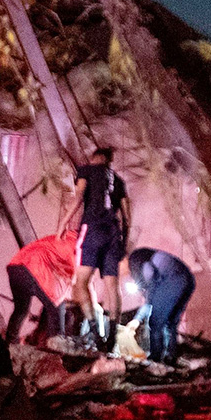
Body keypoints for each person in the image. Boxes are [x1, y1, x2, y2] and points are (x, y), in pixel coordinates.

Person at [69, 147, 129, 352]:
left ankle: (96, 334)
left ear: (95, 158)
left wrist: (62, 227)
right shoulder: (119, 181)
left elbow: (78, 199)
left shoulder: (86, 170)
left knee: (81, 282)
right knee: (113, 287)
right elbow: (127, 217)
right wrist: (123, 243)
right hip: (113, 233)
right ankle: (112, 338)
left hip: (92, 229)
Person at [4, 228, 80, 346]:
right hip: (34, 267)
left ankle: (10, 343)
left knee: (21, 310)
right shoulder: (81, 246)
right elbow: (73, 278)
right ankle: (55, 349)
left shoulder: (64, 237)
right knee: (57, 306)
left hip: (15, 266)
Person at [125, 247, 195, 365]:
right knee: (171, 322)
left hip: (172, 279)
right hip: (188, 279)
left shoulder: (136, 261)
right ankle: (170, 357)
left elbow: (151, 283)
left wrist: (137, 319)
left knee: (155, 322)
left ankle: (155, 358)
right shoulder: (144, 256)